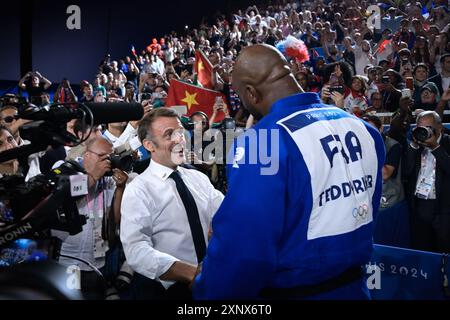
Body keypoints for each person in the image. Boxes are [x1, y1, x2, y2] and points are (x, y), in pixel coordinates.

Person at [192, 44, 385, 300]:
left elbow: (246, 250)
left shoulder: (263, 142)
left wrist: (207, 291)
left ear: (251, 93)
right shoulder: (362, 128)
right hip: (357, 288)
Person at [120, 108, 224, 300]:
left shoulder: (199, 178)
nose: (180, 140)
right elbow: (136, 250)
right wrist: (191, 273)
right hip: (167, 292)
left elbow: (227, 216)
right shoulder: (139, 189)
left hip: (214, 282)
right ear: (149, 145)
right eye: (169, 134)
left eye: (180, 132)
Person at [53, 136, 129, 300]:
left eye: (110, 157)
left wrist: (120, 189)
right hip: (68, 262)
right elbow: (65, 194)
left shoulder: (108, 179)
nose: (107, 162)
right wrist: (93, 176)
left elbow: (114, 220)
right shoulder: (66, 167)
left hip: (97, 261)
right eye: (103, 157)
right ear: (87, 155)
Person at [404, 111, 450, 253]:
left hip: (444, 208)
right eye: (420, 128)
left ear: (439, 127)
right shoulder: (416, 146)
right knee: (421, 249)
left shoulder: (448, 142)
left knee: (444, 249)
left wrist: (435, 147)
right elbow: (405, 171)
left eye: (428, 127)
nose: (424, 131)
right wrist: (413, 146)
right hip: (420, 205)